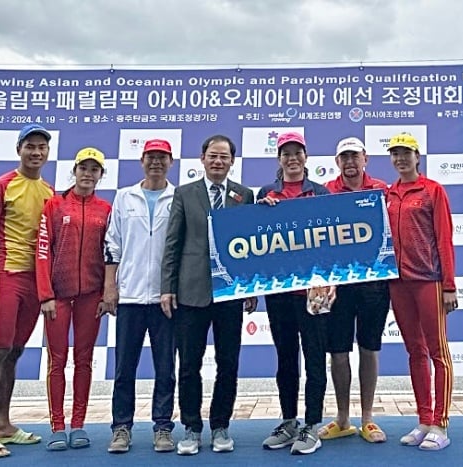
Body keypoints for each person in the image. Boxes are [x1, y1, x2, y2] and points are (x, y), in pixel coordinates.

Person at [160, 134, 256, 456]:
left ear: (232, 161)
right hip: (190, 292)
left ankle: (220, 426)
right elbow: (173, 243)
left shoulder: (244, 196)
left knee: (228, 363)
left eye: (224, 157)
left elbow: (252, 246)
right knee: (189, 364)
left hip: (230, 293)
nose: (218, 161)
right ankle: (191, 426)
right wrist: (167, 287)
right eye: (212, 156)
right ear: (202, 159)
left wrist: (252, 286)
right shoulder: (184, 194)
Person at [0, 124, 54, 458]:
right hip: (5, 278)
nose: (36, 152)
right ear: (19, 149)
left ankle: (3, 424)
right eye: (30, 146)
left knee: (15, 352)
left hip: (35, 284)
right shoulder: (0, 187)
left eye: (42, 147)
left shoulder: (48, 192)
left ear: (47, 153)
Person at [257, 132, 331, 456]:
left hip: (312, 293)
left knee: (315, 359)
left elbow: (334, 241)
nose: (292, 158)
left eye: (296, 152)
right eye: (285, 153)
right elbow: (252, 240)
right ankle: (289, 421)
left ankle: (312, 425)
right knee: (286, 359)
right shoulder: (266, 194)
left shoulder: (321, 192)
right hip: (278, 292)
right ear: (279, 159)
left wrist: (332, 284)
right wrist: (260, 212)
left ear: (305, 157)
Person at [103, 139, 177, 454]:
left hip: (166, 298)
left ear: (171, 162)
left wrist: (173, 288)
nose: (156, 163)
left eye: (162, 158)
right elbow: (113, 244)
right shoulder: (124, 197)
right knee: (124, 368)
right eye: (151, 157)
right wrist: (110, 287)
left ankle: (163, 427)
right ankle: (121, 428)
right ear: (142, 160)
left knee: (165, 367)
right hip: (130, 296)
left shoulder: (179, 198)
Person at [35, 147, 111, 451]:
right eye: (83, 168)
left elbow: (111, 255)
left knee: (84, 360)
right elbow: (42, 252)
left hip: (91, 296)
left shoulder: (105, 209)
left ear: (100, 175)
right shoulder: (53, 205)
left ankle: (78, 424)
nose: (88, 174)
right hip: (58, 298)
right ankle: (57, 425)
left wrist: (107, 293)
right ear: (75, 170)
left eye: (94, 169)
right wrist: (46, 295)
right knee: (57, 361)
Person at [386, 132, 457, 451]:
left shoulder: (432, 191)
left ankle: (441, 424)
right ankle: (424, 419)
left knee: (437, 352)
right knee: (414, 352)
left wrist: (449, 285)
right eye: (395, 154)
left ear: (418, 157)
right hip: (398, 284)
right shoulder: (388, 194)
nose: (400, 159)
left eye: (406, 153)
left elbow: (444, 239)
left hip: (429, 280)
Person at [318, 136, 391, 444]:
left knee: (369, 348)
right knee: (337, 352)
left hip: (374, 283)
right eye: (343, 157)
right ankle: (343, 418)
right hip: (338, 286)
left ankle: (368, 419)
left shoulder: (382, 191)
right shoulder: (325, 192)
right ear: (337, 162)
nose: (349, 162)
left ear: (365, 159)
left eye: (354, 156)